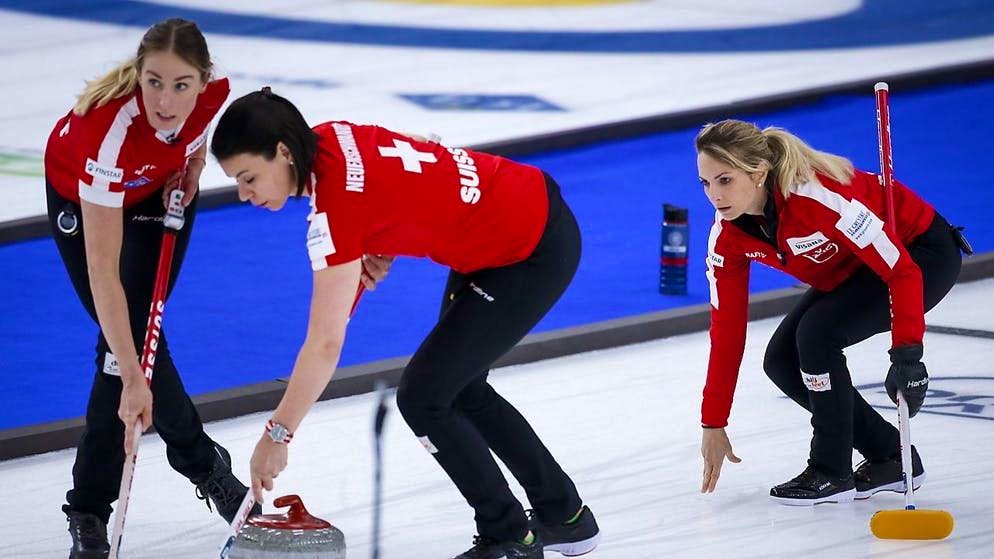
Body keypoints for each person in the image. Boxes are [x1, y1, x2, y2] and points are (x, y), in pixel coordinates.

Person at [209, 88, 601, 559]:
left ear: (284, 153)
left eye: (249, 177)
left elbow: (325, 343)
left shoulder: (333, 213)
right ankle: (565, 516)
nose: (244, 194)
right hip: (512, 213)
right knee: (460, 389)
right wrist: (385, 237)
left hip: (530, 250)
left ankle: (510, 537)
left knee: (425, 398)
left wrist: (278, 434)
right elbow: (424, 147)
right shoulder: (334, 136)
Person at [44, 19, 259, 558]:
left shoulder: (217, 91)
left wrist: (190, 164)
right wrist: (136, 381)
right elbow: (103, 276)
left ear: (203, 79)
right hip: (89, 200)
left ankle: (89, 508)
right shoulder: (106, 135)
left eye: (181, 84)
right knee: (128, 351)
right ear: (138, 76)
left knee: (130, 351)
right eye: (154, 82)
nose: (166, 100)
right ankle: (201, 464)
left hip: (158, 192)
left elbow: (198, 126)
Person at [695, 119, 967, 505]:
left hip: (919, 255)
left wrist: (908, 355)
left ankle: (830, 469)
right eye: (705, 183)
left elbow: (901, 270)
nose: (714, 196)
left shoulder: (816, 197)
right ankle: (890, 454)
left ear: (758, 174)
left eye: (724, 180)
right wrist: (714, 421)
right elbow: (726, 330)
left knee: (817, 335)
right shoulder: (727, 235)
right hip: (853, 269)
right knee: (782, 359)